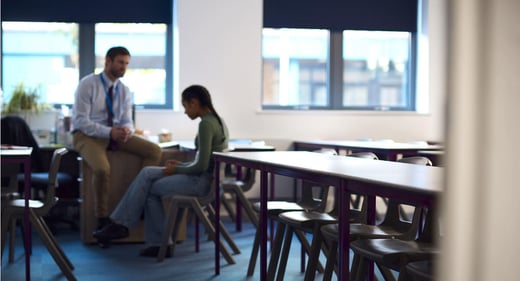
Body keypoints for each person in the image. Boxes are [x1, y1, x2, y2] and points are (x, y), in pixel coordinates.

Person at [93, 84, 229, 257]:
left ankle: (132, 230)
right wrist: (180, 166)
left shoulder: (206, 125)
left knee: (149, 187)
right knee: (148, 172)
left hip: (201, 184)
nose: (186, 111)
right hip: (206, 180)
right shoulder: (218, 121)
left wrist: (177, 169)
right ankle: (124, 225)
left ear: (194, 103)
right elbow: (204, 162)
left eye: (185, 106)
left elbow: (202, 166)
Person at [72, 46, 162, 241]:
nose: (124, 67)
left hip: (114, 134)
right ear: (108, 62)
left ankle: (140, 201)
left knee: (153, 151)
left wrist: (127, 129)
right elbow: (81, 121)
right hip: (87, 135)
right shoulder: (88, 84)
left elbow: (126, 119)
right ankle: (102, 219)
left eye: (127, 63)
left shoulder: (124, 90)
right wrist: (110, 132)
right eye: (120, 62)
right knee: (102, 169)